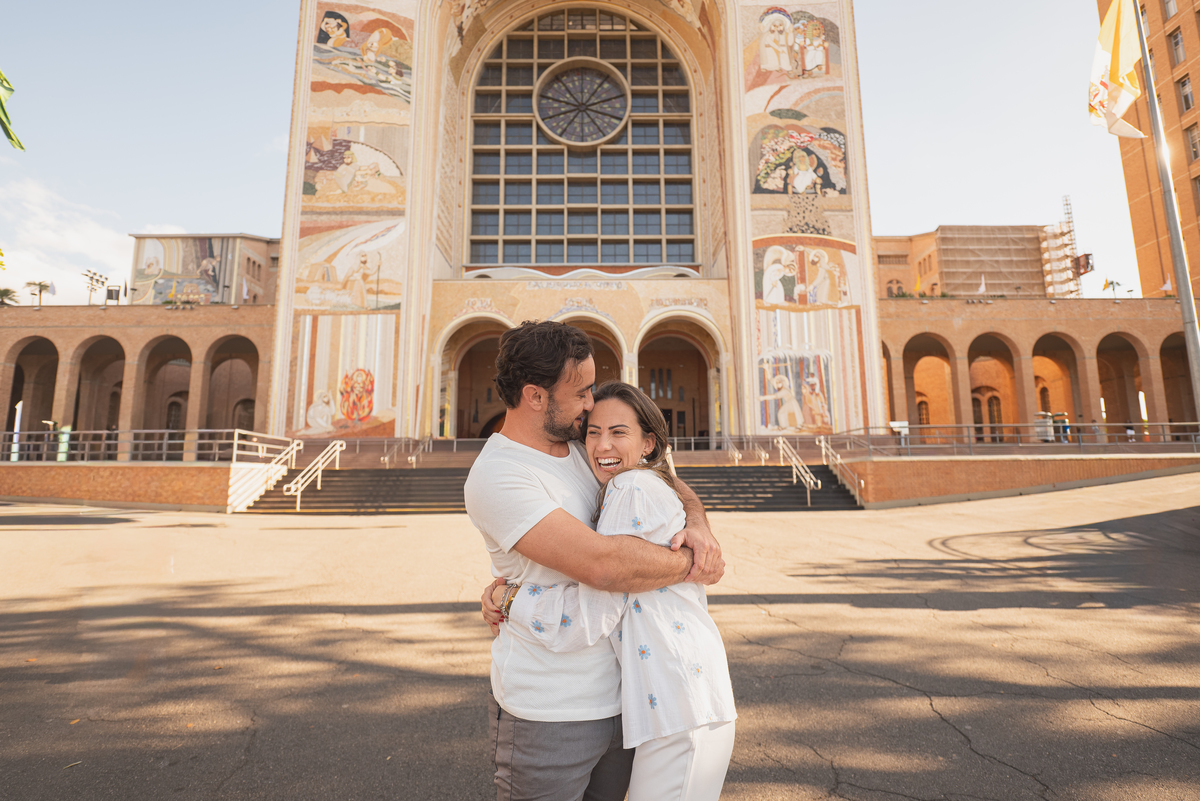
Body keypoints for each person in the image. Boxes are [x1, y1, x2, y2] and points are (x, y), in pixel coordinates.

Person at [466, 320, 723, 801]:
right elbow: (605, 567)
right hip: (550, 712)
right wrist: (691, 564)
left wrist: (698, 524)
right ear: (535, 396)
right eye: (581, 392)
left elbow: (661, 475)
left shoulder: (583, 447)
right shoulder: (499, 475)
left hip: (626, 700)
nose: (591, 404)